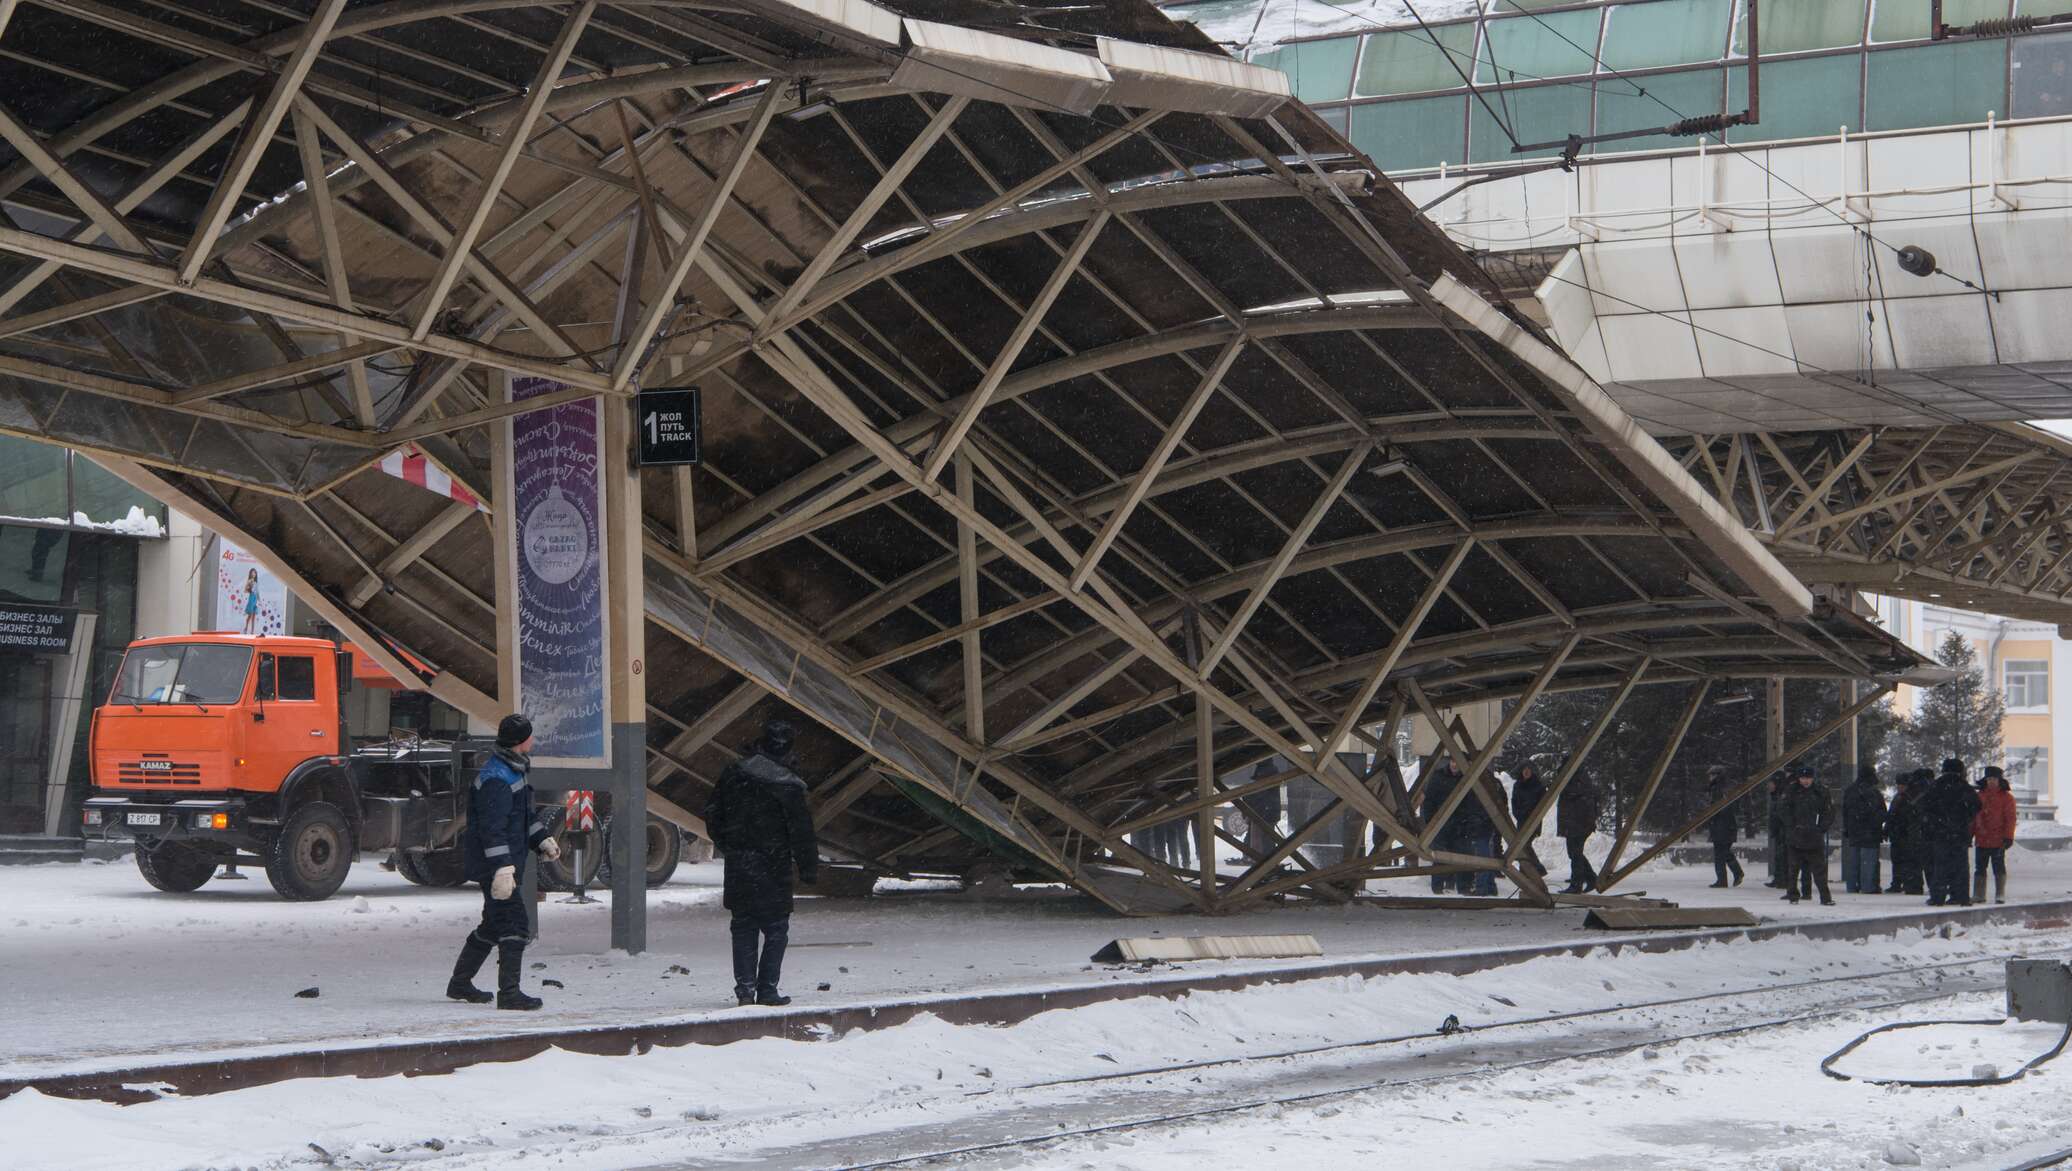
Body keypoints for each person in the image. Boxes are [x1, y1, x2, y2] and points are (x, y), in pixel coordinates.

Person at [447, 714, 560, 1010]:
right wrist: (501, 869)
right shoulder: (497, 777)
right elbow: (492, 829)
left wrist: (542, 839)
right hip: (496, 868)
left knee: (493, 926)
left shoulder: (513, 769)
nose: (533, 741)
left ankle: (460, 984)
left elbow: (522, 817)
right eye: (530, 736)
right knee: (516, 925)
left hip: (505, 864)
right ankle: (509, 993)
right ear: (521, 741)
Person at [704, 719, 819, 1007]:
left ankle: (745, 991)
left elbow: (712, 813)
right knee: (776, 928)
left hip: (740, 865)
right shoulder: (789, 786)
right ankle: (767, 990)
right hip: (774, 865)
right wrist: (808, 867)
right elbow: (801, 830)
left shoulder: (733, 774)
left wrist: (729, 845)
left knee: (743, 926)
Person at [1922, 758, 1982, 907]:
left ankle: (1938, 896)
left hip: (1941, 833)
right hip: (1960, 833)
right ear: (1960, 770)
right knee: (1961, 866)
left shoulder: (1937, 786)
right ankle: (1961, 896)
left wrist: (1936, 821)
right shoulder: (1964, 787)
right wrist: (1964, 818)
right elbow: (1977, 805)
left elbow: (1924, 806)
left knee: (1940, 866)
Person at [1779, 765, 1832, 905]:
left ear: (1813, 778)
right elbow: (1783, 810)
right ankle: (1793, 895)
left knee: (1819, 870)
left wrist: (1820, 828)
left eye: (1808, 778)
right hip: (1796, 835)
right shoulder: (1791, 790)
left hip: (1813, 836)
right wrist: (1792, 826)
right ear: (1799, 778)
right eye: (1803, 778)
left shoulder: (1821, 791)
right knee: (1793, 869)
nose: (1806, 781)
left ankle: (1825, 897)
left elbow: (1828, 812)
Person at [1973, 766, 2019, 905]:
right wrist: (1972, 833)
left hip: (1998, 839)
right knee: (1980, 867)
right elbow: (1974, 817)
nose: (1991, 781)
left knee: (1998, 866)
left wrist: (2008, 837)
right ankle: (1979, 895)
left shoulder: (2007, 798)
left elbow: (2010, 819)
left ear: (1999, 780)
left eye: (1994, 779)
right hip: (1981, 838)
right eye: (1989, 779)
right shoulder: (1979, 796)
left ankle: (2000, 894)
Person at [1840, 764, 1888, 895]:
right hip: (1870, 833)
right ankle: (1868, 887)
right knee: (1869, 862)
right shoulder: (1873, 792)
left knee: (1854, 861)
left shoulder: (1850, 790)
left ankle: (1852, 886)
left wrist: (1847, 827)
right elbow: (1881, 812)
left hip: (1854, 831)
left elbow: (1845, 811)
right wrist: (1877, 824)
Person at [1418, 757, 1462, 894]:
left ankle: (1449, 883)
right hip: (1440, 822)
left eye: (1457, 762)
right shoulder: (1439, 777)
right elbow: (1429, 801)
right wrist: (1431, 820)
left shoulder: (1461, 778)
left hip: (1456, 822)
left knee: (1453, 854)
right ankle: (1437, 886)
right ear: (1450, 762)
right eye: (1453, 761)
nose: (1455, 764)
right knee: (1439, 855)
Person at [1557, 767, 1601, 894]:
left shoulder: (1575, 784)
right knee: (1574, 853)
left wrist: (1579, 824)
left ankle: (1577, 884)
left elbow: (1580, 805)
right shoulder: (1580, 782)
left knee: (1575, 854)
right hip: (1577, 825)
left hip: (1577, 825)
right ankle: (1590, 878)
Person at [1884, 770, 1927, 896]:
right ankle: (1899, 883)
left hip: (1904, 834)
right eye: (1898, 785)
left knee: (1907, 860)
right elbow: (1892, 815)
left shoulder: (1907, 798)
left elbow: (1896, 816)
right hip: (1900, 834)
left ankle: (1907, 884)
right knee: (1898, 860)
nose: (1899, 787)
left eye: (1902, 785)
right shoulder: (1902, 797)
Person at [1704, 766, 1743, 888]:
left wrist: (1713, 814)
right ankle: (1732, 875)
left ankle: (1726, 878)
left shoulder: (1720, 788)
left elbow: (1724, 808)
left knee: (1721, 854)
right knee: (1724, 853)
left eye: (1711, 775)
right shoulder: (1722, 787)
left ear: (1717, 775)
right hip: (1723, 825)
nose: (1709, 778)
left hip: (1723, 825)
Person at [1509, 761, 1548, 878]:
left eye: (1529, 769)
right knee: (1522, 845)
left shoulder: (1538, 786)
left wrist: (1531, 814)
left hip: (1533, 820)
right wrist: (1519, 814)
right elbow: (1514, 802)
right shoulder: (1517, 785)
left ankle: (1537, 868)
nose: (1526, 772)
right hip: (1521, 820)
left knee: (1525, 844)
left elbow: (1542, 804)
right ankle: (1526, 868)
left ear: (1532, 771)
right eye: (1524, 769)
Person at [1764, 774, 1790, 888]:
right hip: (1779, 829)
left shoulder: (1782, 796)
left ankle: (1783, 880)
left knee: (1782, 856)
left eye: (1771, 783)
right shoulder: (1776, 796)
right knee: (1779, 856)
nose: (1769, 786)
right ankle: (1779, 878)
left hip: (1783, 830)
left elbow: (1781, 814)